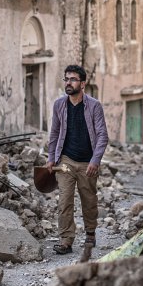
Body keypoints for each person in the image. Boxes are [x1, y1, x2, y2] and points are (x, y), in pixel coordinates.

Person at [46, 64, 109, 254]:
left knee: (88, 200)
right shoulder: (59, 105)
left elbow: (102, 136)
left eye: (72, 79)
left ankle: (90, 233)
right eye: (66, 79)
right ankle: (66, 240)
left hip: (87, 162)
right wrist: (51, 158)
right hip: (65, 160)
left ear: (83, 83)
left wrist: (95, 161)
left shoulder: (94, 106)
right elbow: (55, 133)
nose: (68, 83)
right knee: (64, 201)